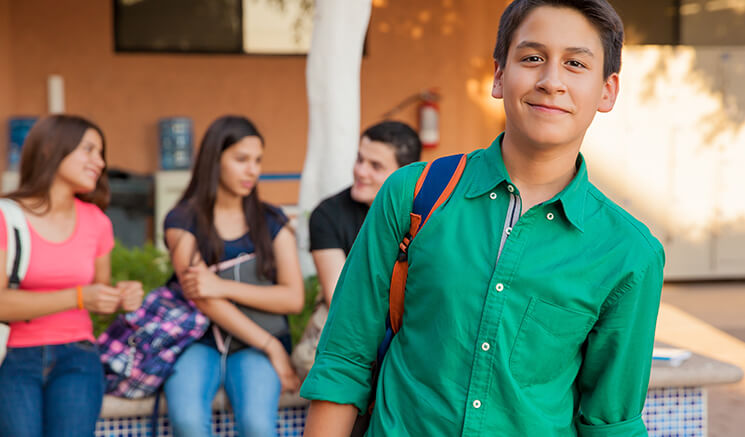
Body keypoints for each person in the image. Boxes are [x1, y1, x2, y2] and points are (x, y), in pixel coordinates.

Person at [300, 1, 665, 436]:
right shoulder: (413, 194)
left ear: (607, 91)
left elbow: (611, 421)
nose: (551, 82)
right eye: (532, 58)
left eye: (575, 64)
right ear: (498, 75)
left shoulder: (627, 252)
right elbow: (345, 358)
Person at [0, 114, 144, 437]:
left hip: (78, 359)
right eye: (89, 150)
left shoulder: (97, 222)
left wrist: (121, 297)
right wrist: (78, 296)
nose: (101, 162)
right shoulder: (6, 216)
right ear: (51, 149)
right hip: (13, 360)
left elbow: (98, 297)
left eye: (101, 153)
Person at [162, 115, 304, 437]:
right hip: (198, 342)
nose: (252, 170)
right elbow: (203, 298)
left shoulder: (271, 220)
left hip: (250, 348)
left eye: (257, 160)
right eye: (241, 159)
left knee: (257, 426)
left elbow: (294, 298)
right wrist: (271, 346)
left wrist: (221, 285)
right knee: (187, 422)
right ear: (215, 160)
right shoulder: (182, 220)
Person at [309, 120, 422, 306]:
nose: (360, 171)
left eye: (375, 166)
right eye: (360, 159)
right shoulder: (327, 214)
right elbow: (338, 298)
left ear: (405, 175)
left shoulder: (426, 213)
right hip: (348, 321)